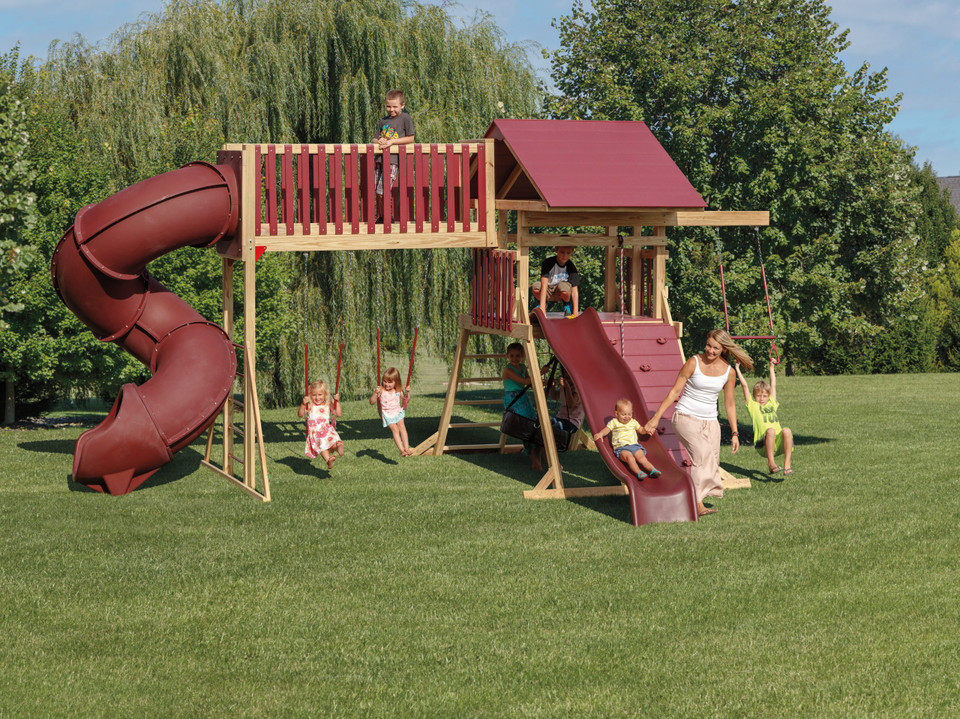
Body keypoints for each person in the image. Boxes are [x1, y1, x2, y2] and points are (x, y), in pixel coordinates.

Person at [642, 329, 753, 517]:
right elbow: (674, 392)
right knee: (701, 456)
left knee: (713, 461)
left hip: (710, 421)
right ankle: (696, 503)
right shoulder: (693, 362)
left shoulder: (729, 372)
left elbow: (730, 404)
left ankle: (695, 495)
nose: (710, 350)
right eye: (708, 345)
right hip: (685, 417)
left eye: (715, 348)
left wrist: (735, 433)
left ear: (723, 349)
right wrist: (656, 418)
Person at [735, 359, 794, 475]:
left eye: (764, 396)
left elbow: (773, 385)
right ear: (754, 396)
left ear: (769, 396)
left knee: (787, 430)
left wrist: (771, 367)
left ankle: (787, 465)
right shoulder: (753, 406)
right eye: (758, 396)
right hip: (762, 445)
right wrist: (737, 368)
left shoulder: (772, 403)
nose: (761, 398)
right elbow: (744, 386)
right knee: (770, 430)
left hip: (778, 443)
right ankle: (771, 464)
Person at [502, 342, 546, 471]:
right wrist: (541, 372)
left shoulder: (522, 367)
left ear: (523, 356)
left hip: (522, 398)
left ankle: (537, 460)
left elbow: (529, 384)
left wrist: (543, 382)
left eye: (518, 356)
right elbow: (526, 381)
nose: (515, 359)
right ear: (507, 356)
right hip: (514, 400)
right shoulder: (508, 370)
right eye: (512, 356)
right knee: (526, 429)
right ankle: (535, 462)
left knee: (534, 427)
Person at [593, 398, 661, 480]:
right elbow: (607, 429)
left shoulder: (633, 422)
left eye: (629, 414)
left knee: (642, 457)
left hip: (635, 446)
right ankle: (639, 472)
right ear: (616, 414)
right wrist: (601, 433)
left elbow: (641, 430)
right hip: (621, 448)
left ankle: (652, 470)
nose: (627, 417)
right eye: (623, 414)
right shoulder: (614, 422)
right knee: (630, 458)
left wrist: (647, 431)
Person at [373, 89, 415, 218]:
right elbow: (375, 138)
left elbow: (410, 138)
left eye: (395, 106)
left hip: (392, 160)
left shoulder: (405, 118)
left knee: (383, 190)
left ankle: (387, 216)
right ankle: (382, 216)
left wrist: (392, 142)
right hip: (379, 159)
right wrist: (379, 140)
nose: (391, 109)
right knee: (377, 191)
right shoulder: (383, 121)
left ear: (402, 105)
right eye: (388, 106)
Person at [299, 379, 344, 470]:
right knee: (322, 447)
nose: (317, 398)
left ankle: (338, 447)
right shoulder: (310, 405)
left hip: (327, 429)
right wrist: (303, 404)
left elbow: (338, 414)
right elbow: (300, 414)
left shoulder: (328, 404)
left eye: (320, 395)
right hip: (315, 432)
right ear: (310, 395)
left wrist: (337, 402)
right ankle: (328, 460)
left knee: (331, 442)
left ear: (325, 394)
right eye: (314, 395)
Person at [370, 367, 412, 456]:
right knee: (395, 429)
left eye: (390, 382)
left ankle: (407, 448)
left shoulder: (398, 390)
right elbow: (371, 402)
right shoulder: (381, 390)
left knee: (402, 427)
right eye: (385, 381)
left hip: (397, 412)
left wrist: (407, 392)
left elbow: (406, 400)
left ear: (396, 382)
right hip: (387, 414)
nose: (387, 384)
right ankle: (402, 450)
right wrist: (375, 393)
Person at [531, 245, 579, 317]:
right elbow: (544, 285)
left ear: (572, 252)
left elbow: (575, 291)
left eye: (568, 253)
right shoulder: (548, 263)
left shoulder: (571, 267)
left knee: (563, 287)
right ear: (556, 250)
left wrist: (575, 313)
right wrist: (542, 308)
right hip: (548, 291)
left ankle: (567, 305)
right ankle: (541, 304)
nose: (565, 255)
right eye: (562, 252)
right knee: (536, 287)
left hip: (560, 294)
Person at [550, 368, 584, 433]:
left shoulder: (577, 389)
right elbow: (555, 397)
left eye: (568, 376)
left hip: (572, 422)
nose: (566, 378)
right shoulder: (563, 387)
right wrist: (552, 385)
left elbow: (570, 404)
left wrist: (567, 387)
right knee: (548, 425)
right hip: (560, 417)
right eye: (565, 375)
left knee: (555, 428)